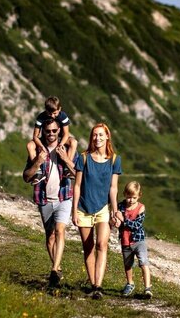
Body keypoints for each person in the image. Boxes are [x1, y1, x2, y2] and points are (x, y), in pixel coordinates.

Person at [23, 117, 76, 288]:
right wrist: (38, 161)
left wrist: (66, 159)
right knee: (50, 236)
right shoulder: (37, 149)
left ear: (59, 130)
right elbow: (26, 177)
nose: (51, 134)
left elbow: (78, 175)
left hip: (64, 196)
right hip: (44, 198)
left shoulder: (66, 148)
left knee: (60, 230)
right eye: (48, 131)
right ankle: (58, 268)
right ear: (43, 132)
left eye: (54, 130)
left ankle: (54, 269)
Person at [72, 122, 122, 299]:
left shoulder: (115, 160)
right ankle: (93, 285)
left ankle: (98, 286)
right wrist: (73, 210)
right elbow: (77, 185)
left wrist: (115, 211)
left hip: (103, 209)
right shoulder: (83, 158)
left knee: (102, 244)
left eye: (101, 135)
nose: (97, 138)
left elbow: (113, 188)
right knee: (88, 247)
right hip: (83, 208)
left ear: (107, 137)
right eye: (95, 135)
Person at [112, 181, 152, 298]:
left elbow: (137, 225)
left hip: (139, 240)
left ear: (139, 196)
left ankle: (147, 288)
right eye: (129, 197)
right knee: (127, 264)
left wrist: (123, 219)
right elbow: (116, 218)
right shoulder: (120, 206)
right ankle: (130, 283)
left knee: (143, 262)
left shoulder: (141, 208)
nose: (131, 200)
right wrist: (115, 221)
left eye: (134, 197)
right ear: (124, 194)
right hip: (125, 240)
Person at [27, 97, 76, 184]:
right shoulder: (41, 117)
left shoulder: (63, 116)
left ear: (59, 109)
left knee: (74, 142)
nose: (53, 116)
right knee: (29, 145)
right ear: (46, 110)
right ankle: (38, 172)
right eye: (50, 113)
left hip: (61, 138)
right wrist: (41, 146)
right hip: (44, 138)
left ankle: (66, 168)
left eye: (55, 113)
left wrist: (61, 144)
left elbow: (66, 134)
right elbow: (35, 136)